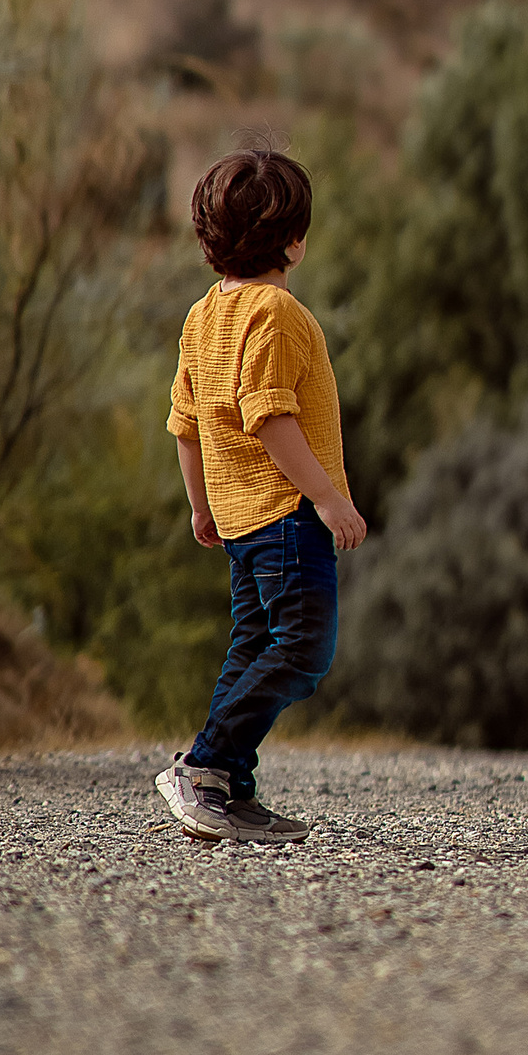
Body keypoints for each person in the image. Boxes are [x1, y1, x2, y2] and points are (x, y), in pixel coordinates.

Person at [159, 146, 368, 846]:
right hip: (285, 517)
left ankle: (227, 789)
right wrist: (329, 498)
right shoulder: (276, 314)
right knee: (305, 647)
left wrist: (202, 504)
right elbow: (270, 415)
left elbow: (186, 425)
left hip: (243, 518)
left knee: (252, 647)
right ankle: (205, 763)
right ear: (293, 240)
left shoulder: (202, 316)